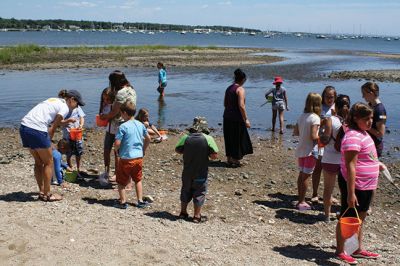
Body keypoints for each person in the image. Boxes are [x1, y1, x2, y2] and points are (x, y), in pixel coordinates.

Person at [335, 102, 381, 264]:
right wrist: (351, 192)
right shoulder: (353, 136)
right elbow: (350, 165)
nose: (370, 122)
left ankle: (356, 249)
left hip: (367, 183)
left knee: (360, 218)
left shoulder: (363, 132)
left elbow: (366, 154)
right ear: (356, 118)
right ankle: (340, 250)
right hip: (356, 184)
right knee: (347, 217)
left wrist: (377, 163)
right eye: (366, 118)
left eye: (372, 118)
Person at [20, 90, 85, 201]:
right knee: (48, 162)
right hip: (37, 129)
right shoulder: (64, 107)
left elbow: (56, 121)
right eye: (77, 104)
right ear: (72, 99)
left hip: (24, 127)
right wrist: (49, 143)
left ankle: (41, 191)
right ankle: (47, 194)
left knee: (38, 162)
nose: (76, 107)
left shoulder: (55, 100)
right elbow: (52, 128)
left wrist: (66, 121)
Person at [175, 117, 219, 223]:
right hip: (201, 172)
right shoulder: (208, 139)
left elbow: (178, 150)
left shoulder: (186, 137)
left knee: (185, 191)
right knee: (199, 193)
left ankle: (183, 212)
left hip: (187, 172)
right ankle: (196, 216)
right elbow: (214, 156)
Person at [100, 70, 137, 182]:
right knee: (119, 150)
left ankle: (117, 174)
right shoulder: (132, 90)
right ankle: (118, 174)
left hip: (118, 125)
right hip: (128, 123)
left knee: (116, 150)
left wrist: (104, 116)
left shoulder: (121, 93)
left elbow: (114, 112)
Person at [114, 101, 151, 209]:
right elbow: (148, 138)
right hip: (138, 157)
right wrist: (143, 149)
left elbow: (117, 143)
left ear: (124, 113)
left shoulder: (123, 127)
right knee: (138, 179)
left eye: (121, 113)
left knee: (121, 181)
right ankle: (139, 201)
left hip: (126, 158)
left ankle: (123, 201)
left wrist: (116, 150)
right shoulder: (140, 124)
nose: (121, 115)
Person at [319, 94, 351, 222]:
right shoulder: (351, 121)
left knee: (328, 189)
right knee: (346, 190)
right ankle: (345, 214)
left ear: (335, 106)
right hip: (345, 160)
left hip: (330, 159)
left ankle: (326, 215)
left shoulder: (329, 120)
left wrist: (321, 132)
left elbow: (325, 140)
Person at [293, 92, 322, 211]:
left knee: (301, 174)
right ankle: (302, 201)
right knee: (306, 176)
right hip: (310, 151)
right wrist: (324, 138)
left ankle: (300, 198)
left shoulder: (302, 116)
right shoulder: (315, 118)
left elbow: (295, 132)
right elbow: (314, 136)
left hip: (301, 149)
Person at [311, 86, 337, 203]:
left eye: (332, 97)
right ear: (323, 96)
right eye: (327, 97)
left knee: (332, 171)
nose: (329, 99)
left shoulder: (338, 107)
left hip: (333, 144)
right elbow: (313, 122)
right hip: (321, 142)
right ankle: (315, 193)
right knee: (318, 168)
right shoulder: (319, 108)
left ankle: (329, 195)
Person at [223, 68, 253, 167]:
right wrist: (246, 119)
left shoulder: (228, 88)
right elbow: (241, 105)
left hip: (227, 116)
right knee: (238, 138)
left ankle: (229, 159)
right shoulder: (240, 89)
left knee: (229, 138)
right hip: (236, 118)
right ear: (243, 79)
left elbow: (225, 104)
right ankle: (235, 160)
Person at [58, 90, 86, 174]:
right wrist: (68, 121)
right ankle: (69, 166)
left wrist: (81, 125)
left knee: (79, 152)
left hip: (77, 134)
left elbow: (82, 117)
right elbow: (59, 121)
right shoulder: (63, 109)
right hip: (67, 134)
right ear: (71, 100)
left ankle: (78, 167)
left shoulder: (77, 107)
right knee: (68, 152)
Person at [361, 82, 386, 158]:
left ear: (371, 93)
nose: (362, 96)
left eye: (364, 93)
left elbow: (380, 133)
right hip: (368, 143)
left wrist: (365, 127)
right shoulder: (370, 105)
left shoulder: (380, 110)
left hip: (375, 146)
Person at [98, 87, 118, 184]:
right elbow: (103, 118)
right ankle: (106, 171)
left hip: (118, 131)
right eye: (104, 99)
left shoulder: (116, 105)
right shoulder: (104, 106)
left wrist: (107, 117)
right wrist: (102, 118)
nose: (106, 101)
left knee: (116, 153)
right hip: (109, 131)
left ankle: (117, 173)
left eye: (107, 99)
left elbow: (113, 115)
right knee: (106, 151)